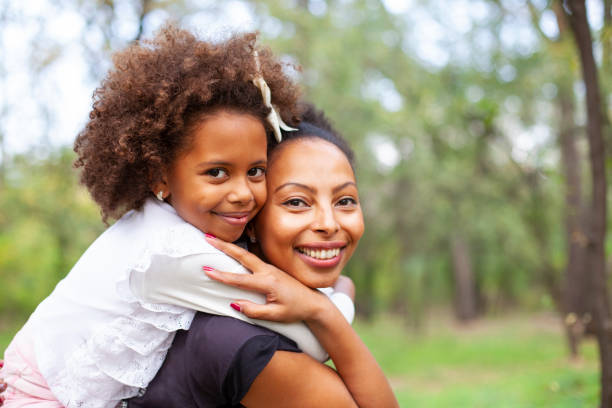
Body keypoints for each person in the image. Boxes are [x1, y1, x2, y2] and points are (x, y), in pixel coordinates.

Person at [0, 26, 353, 408]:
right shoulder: (174, 255)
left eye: (255, 171)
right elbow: (313, 343)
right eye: (217, 172)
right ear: (161, 176)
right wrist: (338, 300)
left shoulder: (160, 225)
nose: (242, 193)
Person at [128, 105, 400, 407]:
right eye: (297, 202)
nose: (329, 224)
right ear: (251, 218)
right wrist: (323, 313)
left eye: (345, 200)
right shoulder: (244, 342)